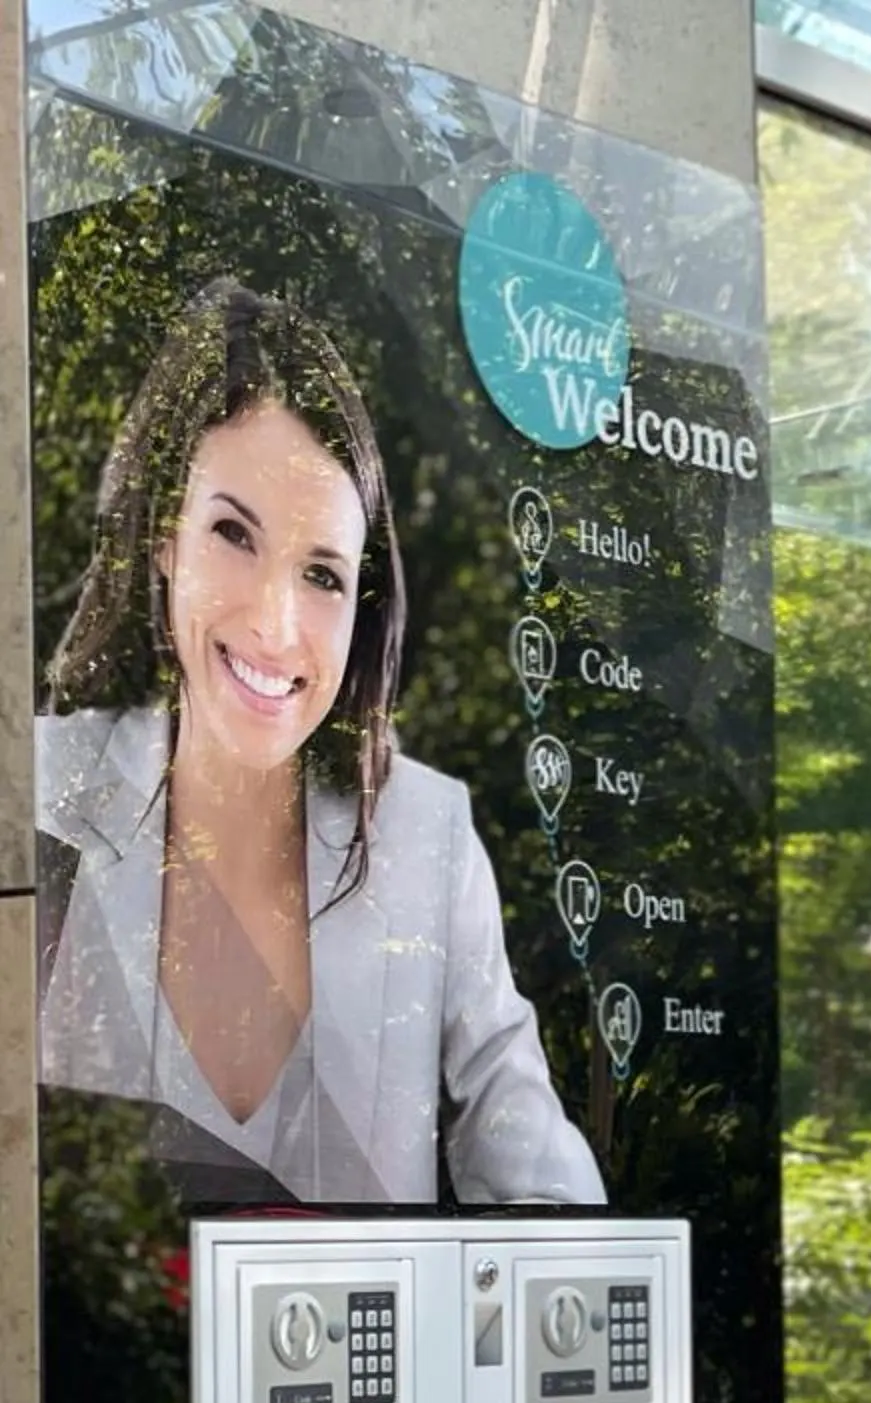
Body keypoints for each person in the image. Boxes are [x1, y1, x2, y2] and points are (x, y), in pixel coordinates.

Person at [37, 276, 602, 1205]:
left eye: (322, 574)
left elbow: (538, 1176)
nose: (274, 621)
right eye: (232, 533)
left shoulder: (429, 835)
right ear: (163, 541)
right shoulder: (36, 790)